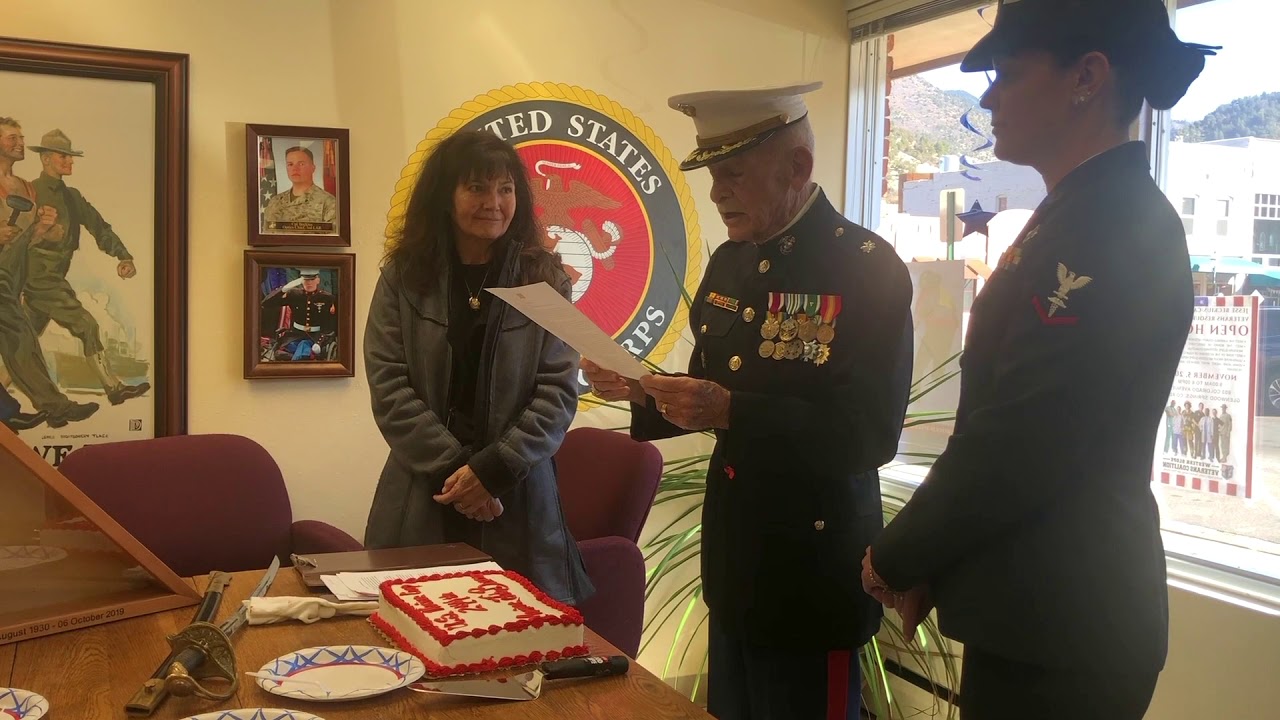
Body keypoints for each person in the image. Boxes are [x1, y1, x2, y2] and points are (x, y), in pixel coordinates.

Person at [860, 1, 1218, 717]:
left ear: (1087, 77)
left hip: (1067, 626)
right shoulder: (1082, 212)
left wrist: (897, 555)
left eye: (1008, 73)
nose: (988, 97)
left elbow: (1025, 434)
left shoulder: (1110, 223)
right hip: (1044, 610)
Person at [584, 82, 914, 719]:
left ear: (798, 166)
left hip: (812, 575)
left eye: (733, 172)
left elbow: (869, 435)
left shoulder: (867, 269)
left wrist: (734, 410)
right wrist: (640, 391)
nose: (716, 191)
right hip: (737, 563)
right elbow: (707, 387)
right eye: (713, 174)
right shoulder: (731, 262)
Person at [363, 129, 593, 606]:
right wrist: (458, 475)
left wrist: (491, 472)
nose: (494, 202)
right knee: (413, 635)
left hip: (518, 498)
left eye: (505, 189)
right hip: (424, 494)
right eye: (476, 188)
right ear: (445, 198)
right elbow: (389, 386)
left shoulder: (544, 278)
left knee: (517, 642)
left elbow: (558, 391)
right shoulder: (404, 277)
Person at [28, 129, 149, 405]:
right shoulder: (30, 192)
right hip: (37, 279)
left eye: (71, 157)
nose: (70, 162)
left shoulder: (72, 197)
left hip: (53, 277)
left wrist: (123, 256)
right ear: (46, 159)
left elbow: (99, 227)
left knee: (24, 345)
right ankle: (114, 388)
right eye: (63, 156)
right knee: (87, 325)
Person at [0, 116, 97, 431]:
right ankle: (48, 407)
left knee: (19, 340)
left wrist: (44, 229)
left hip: (13, 275)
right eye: (12, 137)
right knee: (18, 337)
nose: (20, 143)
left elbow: (32, 239)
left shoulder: (26, 188)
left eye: (21, 137)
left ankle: (26, 410)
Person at [261, 268, 337, 361]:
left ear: (318, 280)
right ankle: (302, 358)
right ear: (301, 281)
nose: (309, 283)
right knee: (299, 348)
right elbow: (266, 303)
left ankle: (294, 364)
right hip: (295, 335)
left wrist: (319, 342)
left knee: (304, 344)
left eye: (312, 279)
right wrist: (284, 289)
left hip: (315, 336)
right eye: (305, 280)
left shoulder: (327, 298)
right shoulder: (294, 294)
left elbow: (329, 325)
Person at [262, 146, 338, 231]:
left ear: (313, 168)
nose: (295, 169)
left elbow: (331, 240)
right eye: (290, 164)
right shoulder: (275, 202)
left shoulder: (328, 202)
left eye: (301, 164)